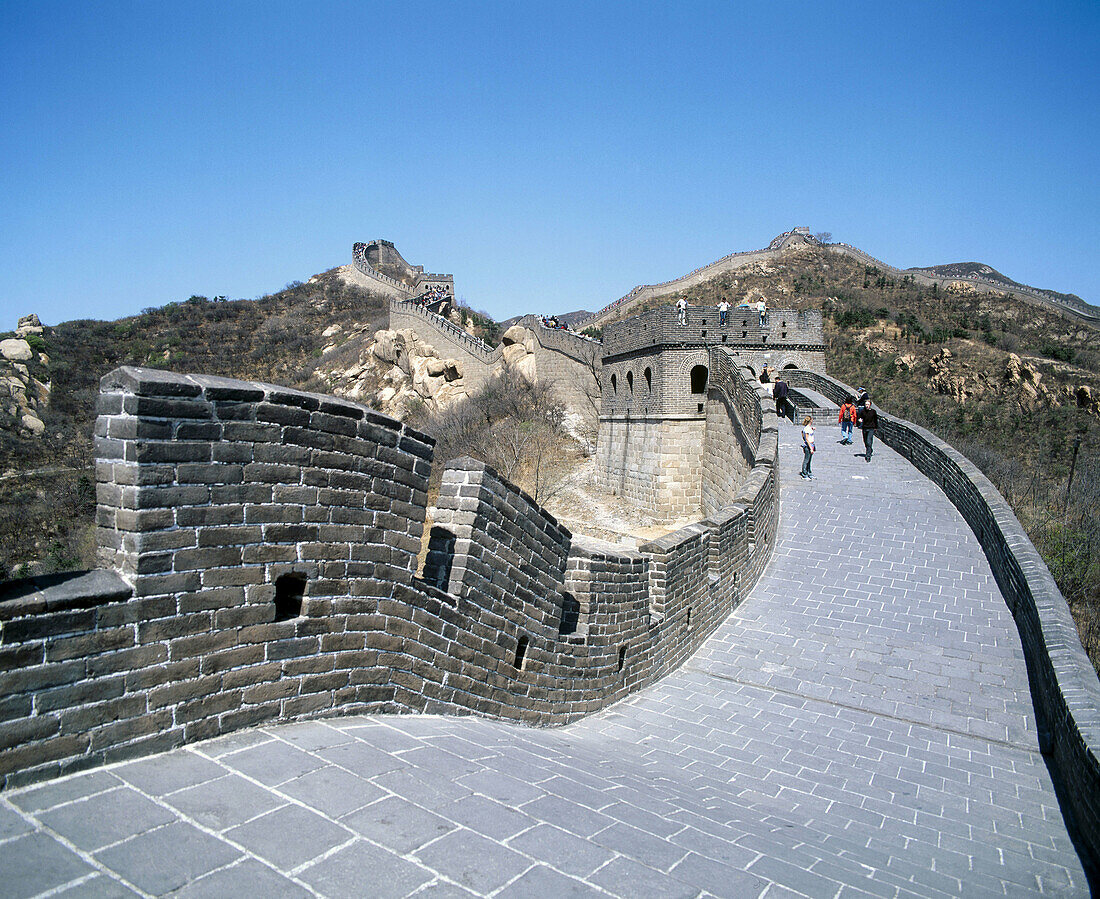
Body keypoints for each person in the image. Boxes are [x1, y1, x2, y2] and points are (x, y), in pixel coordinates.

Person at [801, 415, 816, 479]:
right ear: (810, 420)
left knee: (809, 460)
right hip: (808, 446)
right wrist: (810, 448)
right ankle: (804, 473)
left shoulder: (808, 428)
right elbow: (807, 439)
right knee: (806, 460)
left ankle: (809, 472)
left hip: (811, 444)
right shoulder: (807, 429)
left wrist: (812, 429)